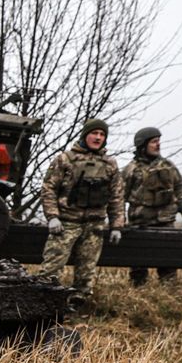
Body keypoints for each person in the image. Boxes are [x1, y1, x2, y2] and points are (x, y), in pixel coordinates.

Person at [38, 118, 126, 305]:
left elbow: (116, 197)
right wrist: (52, 217)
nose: (98, 137)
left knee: (86, 274)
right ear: (85, 135)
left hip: (94, 225)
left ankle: (78, 309)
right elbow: (48, 189)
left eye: (102, 134)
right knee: (50, 270)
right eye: (94, 133)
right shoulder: (65, 159)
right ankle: (43, 306)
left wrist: (117, 225)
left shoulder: (110, 164)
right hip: (66, 223)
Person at [122, 127, 182, 286]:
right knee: (138, 265)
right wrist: (119, 219)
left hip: (165, 221)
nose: (158, 145)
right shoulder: (131, 170)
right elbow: (119, 196)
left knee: (168, 263)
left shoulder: (168, 166)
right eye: (154, 142)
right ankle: (138, 292)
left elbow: (179, 186)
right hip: (140, 223)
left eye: (158, 141)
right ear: (142, 145)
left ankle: (169, 293)